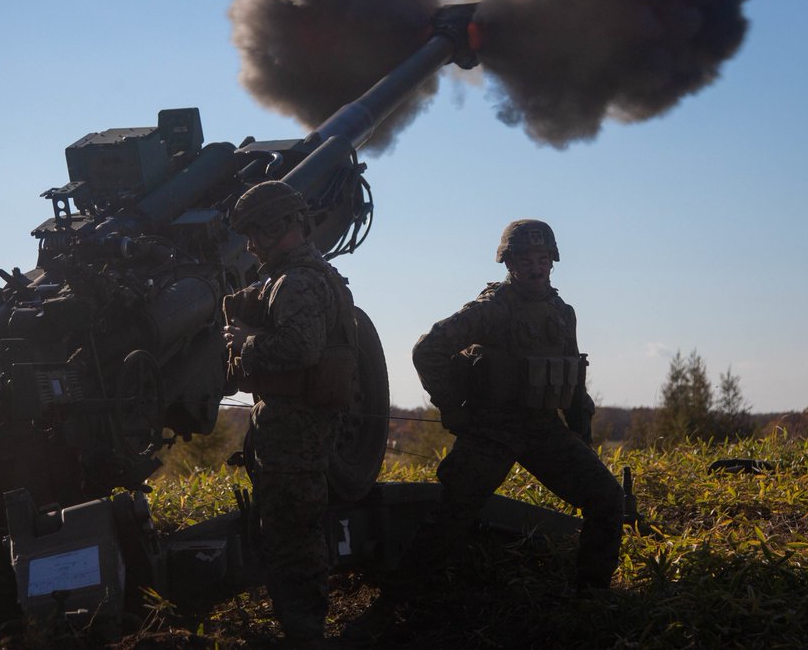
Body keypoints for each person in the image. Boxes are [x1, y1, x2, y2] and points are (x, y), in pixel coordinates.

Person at [347, 219, 623, 638]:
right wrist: (454, 408)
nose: (535, 267)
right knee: (449, 518)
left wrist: (580, 438)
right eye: (526, 260)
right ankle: (391, 608)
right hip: (491, 430)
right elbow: (428, 349)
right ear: (509, 263)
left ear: (553, 261)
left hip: (543, 428)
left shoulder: (562, 313)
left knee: (607, 500)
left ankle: (590, 602)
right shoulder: (492, 309)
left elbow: (574, 381)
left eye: (542, 258)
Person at [222, 180, 356, 646]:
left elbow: (301, 348)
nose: (250, 244)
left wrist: (246, 344)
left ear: (280, 226)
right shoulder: (313, 275)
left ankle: (304, 634)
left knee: (292, 543)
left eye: (255, 232)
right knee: (293, 536)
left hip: (293, 436)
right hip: (297, 432)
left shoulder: (296, 282)